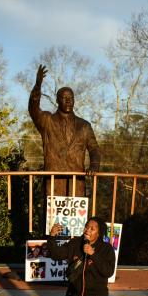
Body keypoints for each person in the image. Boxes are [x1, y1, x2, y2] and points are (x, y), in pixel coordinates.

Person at [30, 64, 100, 197]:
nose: (68, 101)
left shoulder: (84, 126)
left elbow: (94, 149)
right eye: (64, 98)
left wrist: (94, 166)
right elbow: (33, 109)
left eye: (71, 98)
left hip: (76, 183)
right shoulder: (47, 121)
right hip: (53, 182)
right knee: (50, 218)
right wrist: (38, 85)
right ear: (57, 100)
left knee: (78, 219)